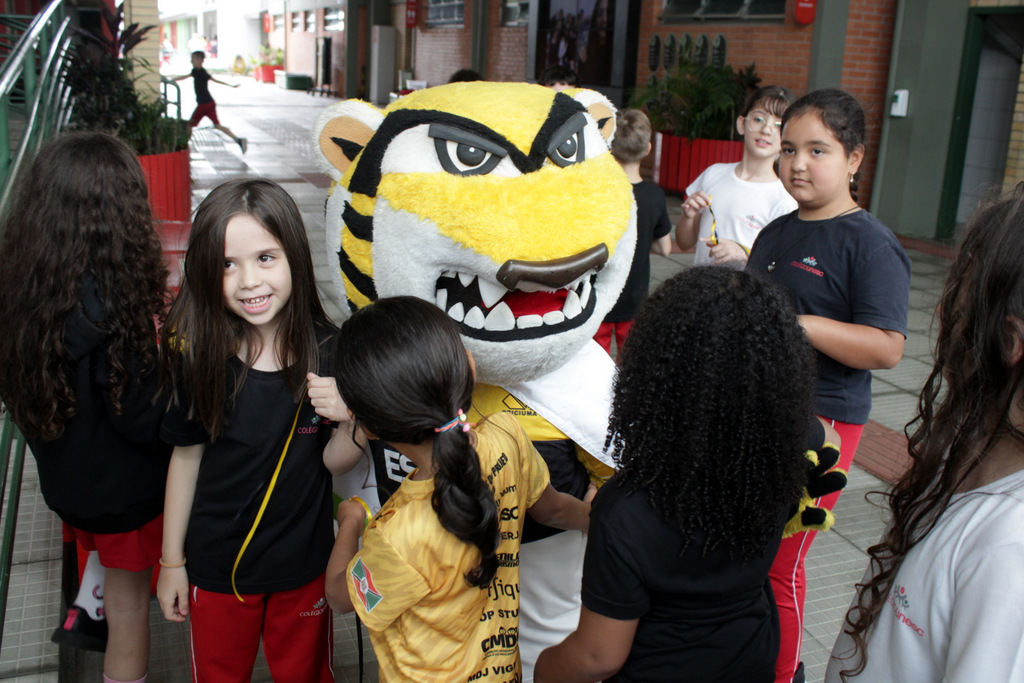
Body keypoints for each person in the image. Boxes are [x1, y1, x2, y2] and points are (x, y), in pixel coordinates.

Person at [535, 267, 820, 682]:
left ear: (653, 373)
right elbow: (821, 433)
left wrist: (543, 668)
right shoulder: (782, 456)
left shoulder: (627, 510)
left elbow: (597, 656)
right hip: (752, 659)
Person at [324, 296, 594, 682]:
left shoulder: (397, 537)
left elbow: (339, 596)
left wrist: (350, 521)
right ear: (469, 365)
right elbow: (555, 510)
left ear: (364, 426)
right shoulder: (506, 435)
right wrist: (598, 516)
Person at [156, 179, 353, 682]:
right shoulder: (200, 356)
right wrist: (171, 562)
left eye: (265, 258)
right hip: (218, 568)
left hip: (303, 565)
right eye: (227, 264)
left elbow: (335, 461)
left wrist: (352, 419)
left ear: (295, 258)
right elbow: (186, 459)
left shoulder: (328, 351)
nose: (248, 281)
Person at [746, 88, 912, 683]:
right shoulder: (776, 231)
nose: (797, 163)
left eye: (818, 150)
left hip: (826, 423)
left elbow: (888, 347)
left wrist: (804, 325)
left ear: (854, 159)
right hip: (764, 409)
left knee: (780, 565)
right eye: (789, 149)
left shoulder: (870, 243)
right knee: (747, 552)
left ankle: (783, 675)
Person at [825, 185, 1024, 681]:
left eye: (962, 295)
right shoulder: (967, 449)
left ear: (1009, 341)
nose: (942, 312)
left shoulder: (1009, 549)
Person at [0, 132, 172, 683]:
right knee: (129, 611)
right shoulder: (113, 307)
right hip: (122, 499)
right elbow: (142, 418)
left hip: (69, 486)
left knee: (103, 571)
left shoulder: (28, 293)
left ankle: (87, 602)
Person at [676, 85, 797, 269]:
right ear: (742, 124)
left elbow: (781, 267)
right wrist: (688, 217)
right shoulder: (713, 174)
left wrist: (745, 254)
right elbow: (684, 243)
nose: (766, 129)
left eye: (779, 125)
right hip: (700, 284)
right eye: (758, 119)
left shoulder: (783, 200)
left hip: (743, 288)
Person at [594, 108, 672, 356]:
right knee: (630, 359)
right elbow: (665, 248)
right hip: (634, 298)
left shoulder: (598, 193)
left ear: (610, 148)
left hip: (599, 296)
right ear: (648, 149)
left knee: (594, 360)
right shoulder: (655, 196)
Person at [175, 51, 247, 153]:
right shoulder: (196, 72)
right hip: (209, 103)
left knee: (189, 125)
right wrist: (174, 80)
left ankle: (182, 147)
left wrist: (231, 85)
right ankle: (238, 140)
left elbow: (215, 80)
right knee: (217, 125)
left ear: (200, 60)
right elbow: (186, 76)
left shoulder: (201, 73)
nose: (192, 61)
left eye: (193, 59)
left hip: (204, 104)